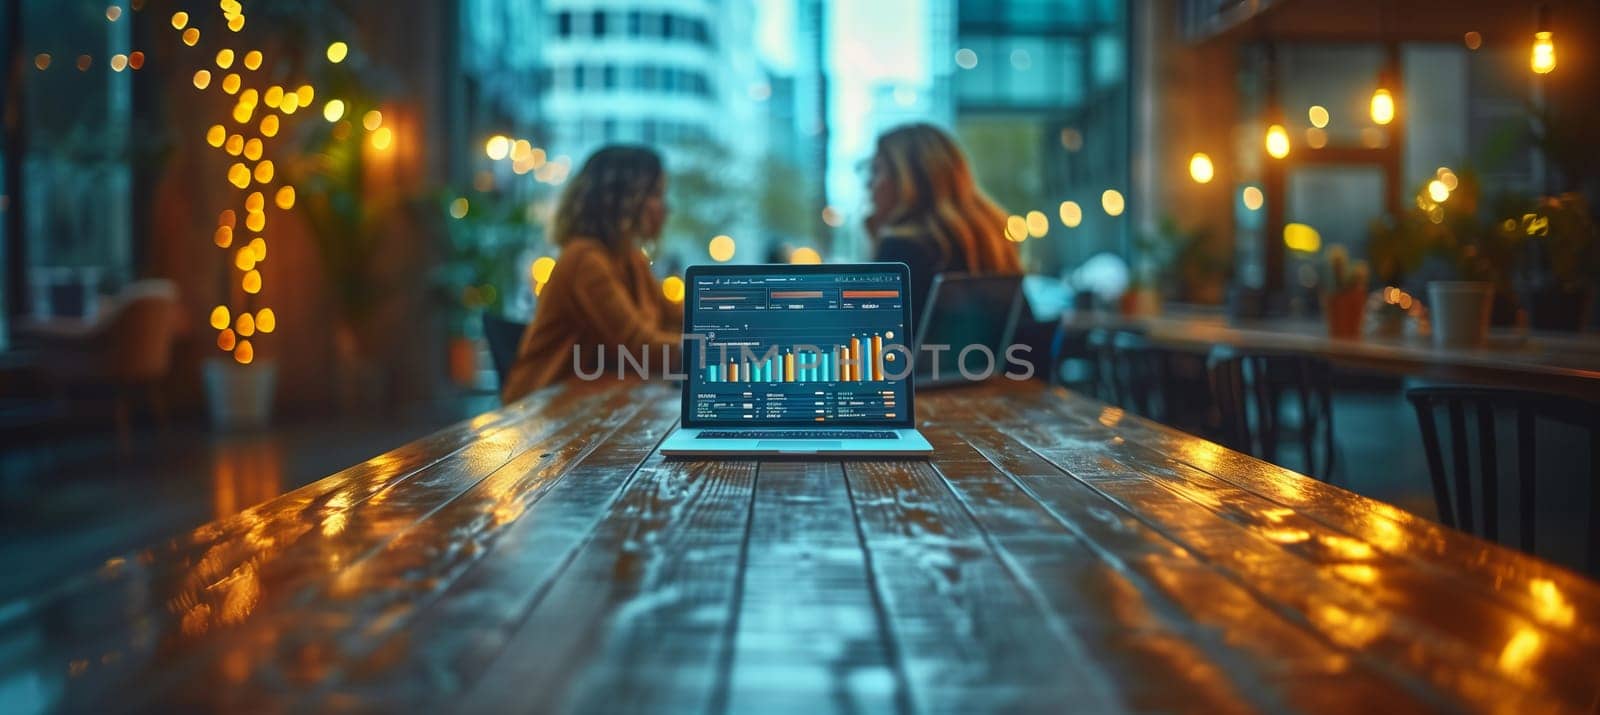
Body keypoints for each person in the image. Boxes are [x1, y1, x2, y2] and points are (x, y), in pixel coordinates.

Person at [500, 145, 681, 404]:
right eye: (655, 194)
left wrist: (725, 322)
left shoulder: (630, 260)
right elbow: (639, 347)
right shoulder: (584, 259)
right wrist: (714, 349)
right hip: (542, 409)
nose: (666, 208)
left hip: (586, 403)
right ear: (622, 199)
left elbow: (673, 316)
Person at [865, 123, 1021, 335]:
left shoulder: (900, 250)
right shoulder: (991, 241)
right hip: (1004, 368)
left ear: (907, 180)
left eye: (876, 170)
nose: (869, 183)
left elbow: (883, 349)